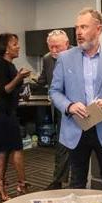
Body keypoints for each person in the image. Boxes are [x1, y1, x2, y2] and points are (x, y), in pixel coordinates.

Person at [49, 8, 102, 191]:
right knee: (77, 183)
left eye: (84, 27)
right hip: (75, 130)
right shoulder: (64, 58)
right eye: (77, 27)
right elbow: (54, 91)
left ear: (98, 29)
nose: (78, 32)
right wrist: (69, 106)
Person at [0, 32, 31, 201]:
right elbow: (4, 89)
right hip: (1, 113)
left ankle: (0, 184)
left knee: (5, 151)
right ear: (6, 49)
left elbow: (12, 91)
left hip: (8, 112)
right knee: (15, 149)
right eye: (14, 44)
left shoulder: (11, 65)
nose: (18, 46)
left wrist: (22, 91)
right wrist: (19, 77)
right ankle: (21, 184)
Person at [36, 29, 72, 190]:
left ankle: (78, 182)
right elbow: (43, 80)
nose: (54, 51)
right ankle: (58, 181)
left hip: (78, 108)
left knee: (79, 147)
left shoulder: (78, 56)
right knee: (61, 145)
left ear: (67, 44)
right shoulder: (47, 59)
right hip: (59, 108)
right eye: (51, 47)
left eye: (58, 47)